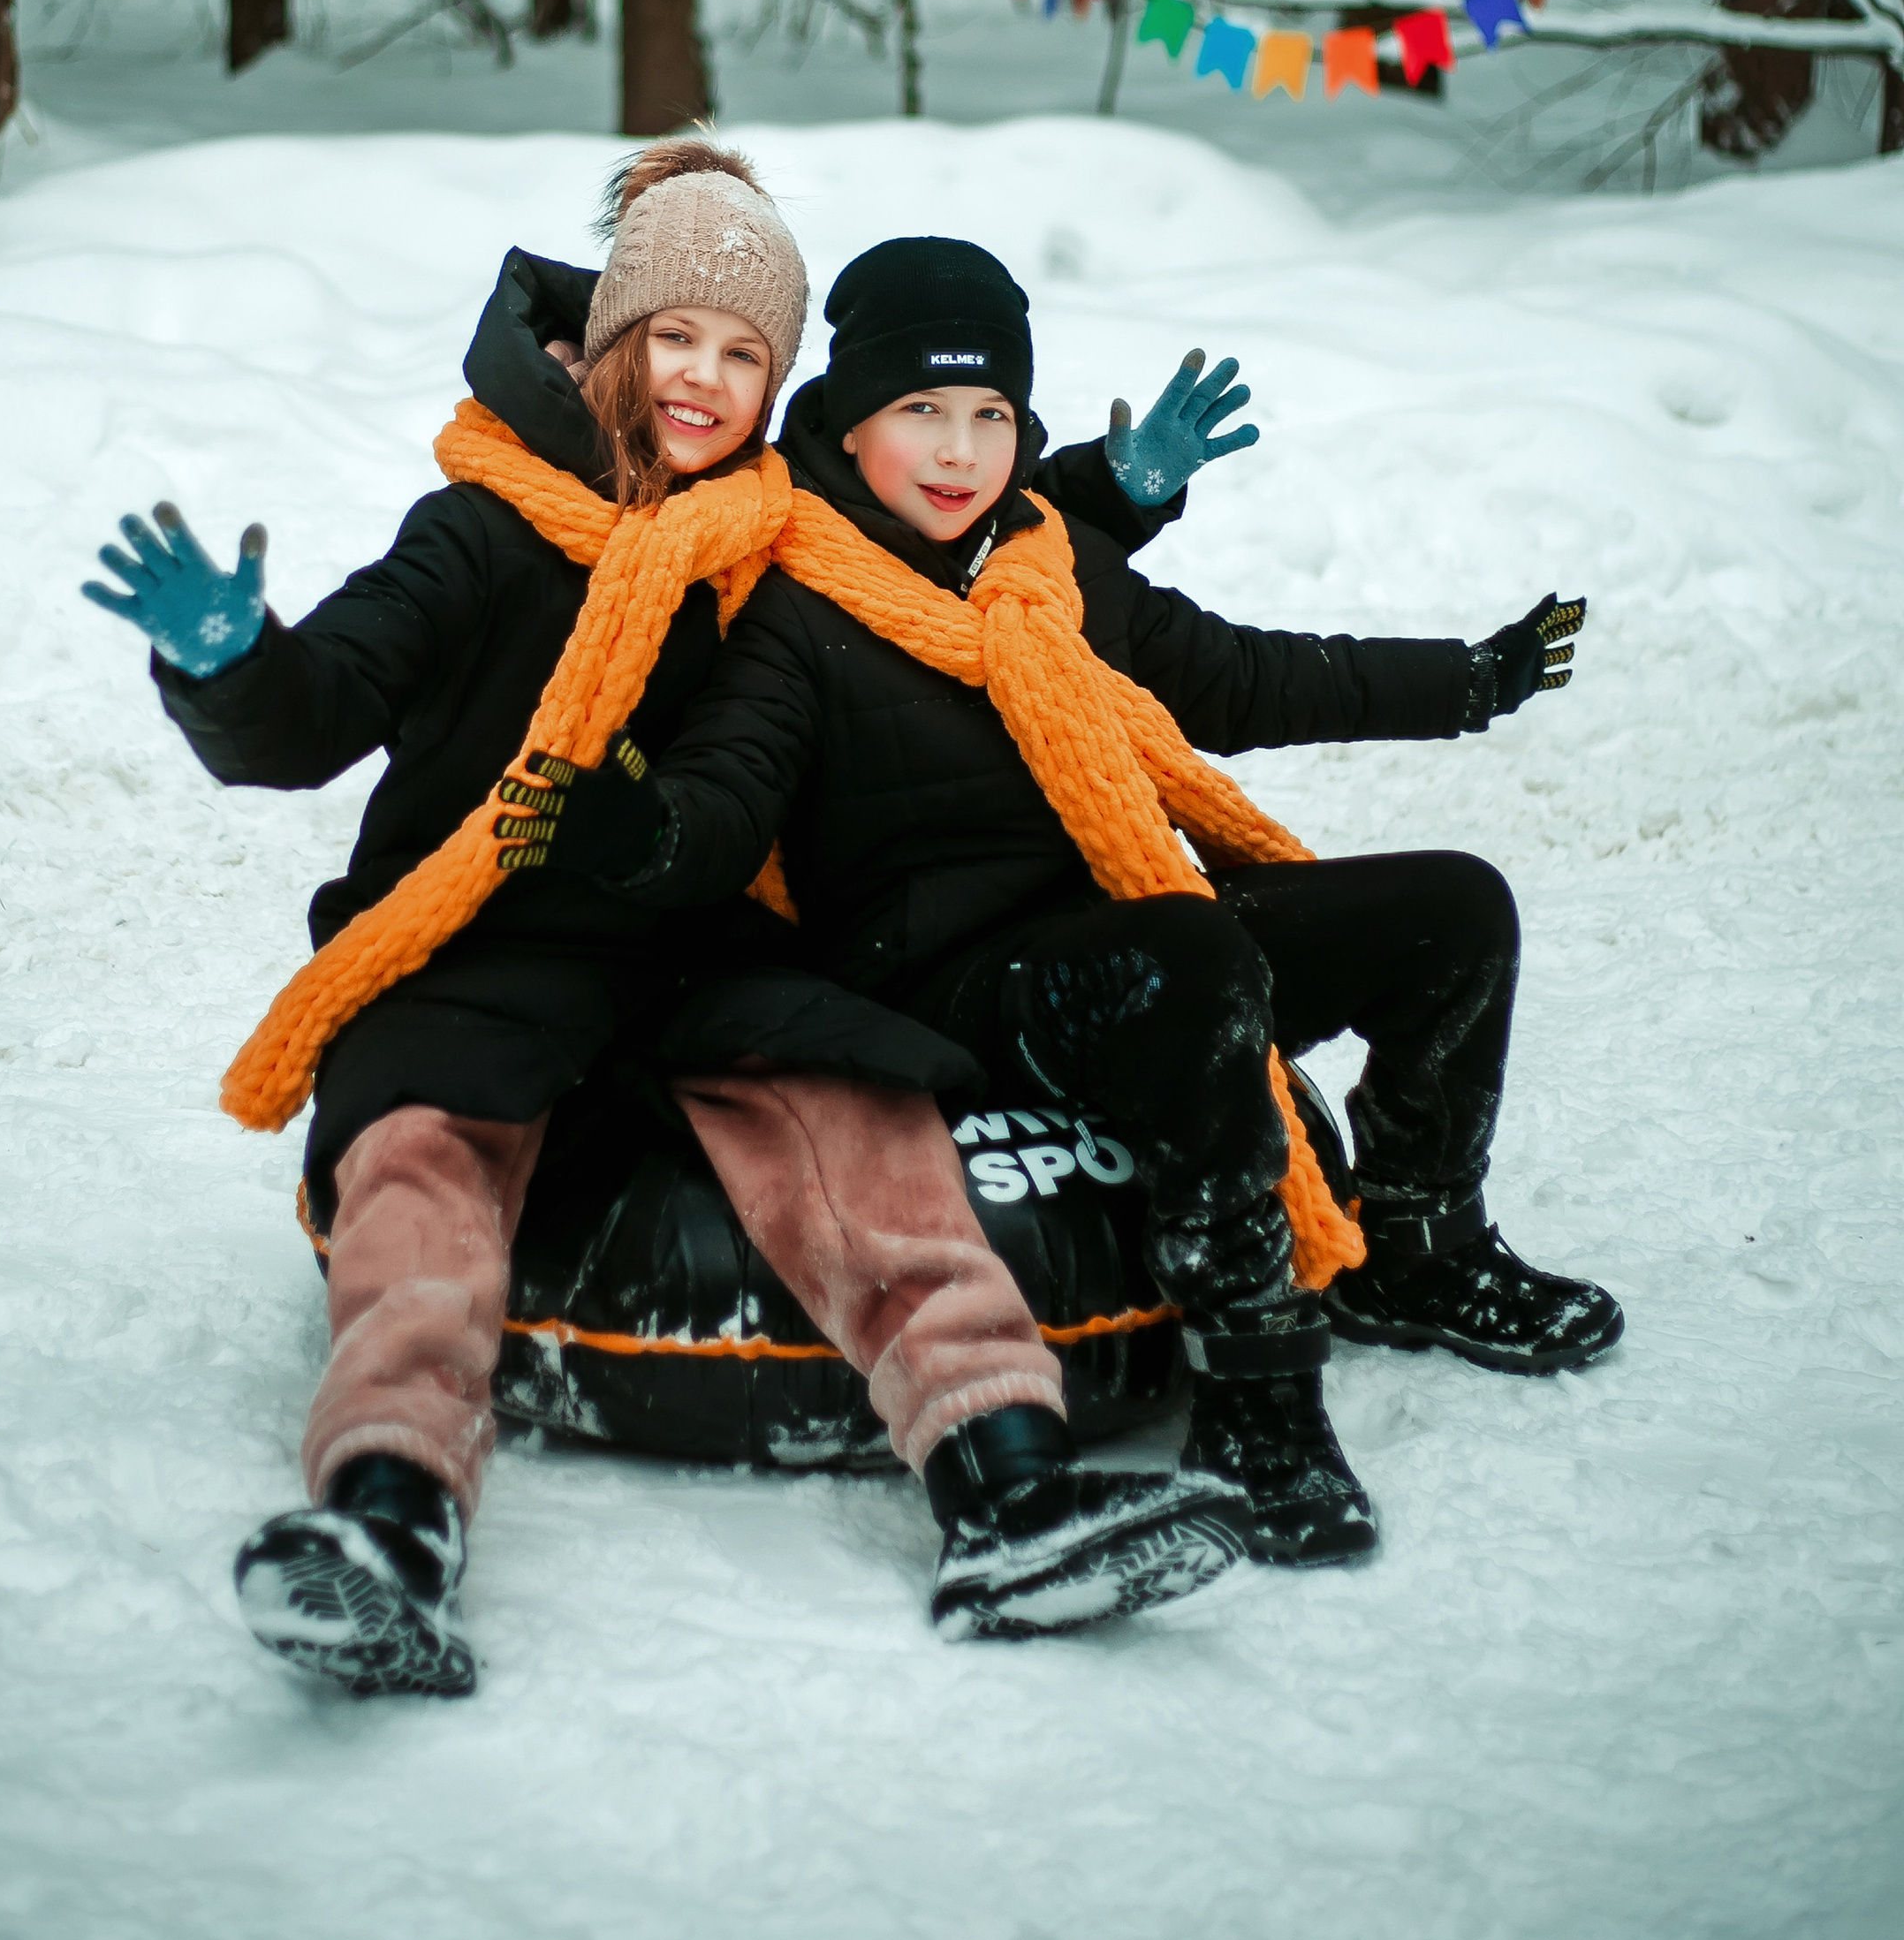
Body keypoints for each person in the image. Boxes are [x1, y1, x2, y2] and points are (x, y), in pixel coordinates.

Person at [83, 155, 1250, 1692]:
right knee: (425, 1161)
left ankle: (1007, 1487)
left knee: (861, 1117)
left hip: (695, 936)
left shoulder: (768, 534)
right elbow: (320, 707)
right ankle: (386, 1521)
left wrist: (1120, 482)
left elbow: (946, 522)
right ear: (616, 341)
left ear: (781, 385)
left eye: (746, 353)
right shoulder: (484, 528)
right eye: (679, 339)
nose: (705, 381)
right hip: (484, 943)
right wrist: (234, 664)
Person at [511, 233, 1623, 1573]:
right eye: (920, 410)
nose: (958, 450)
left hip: (1130, 936)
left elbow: (1239, 679)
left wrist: (1467, 681)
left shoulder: (1048, 563)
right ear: (849, 422)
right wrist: (644, 829)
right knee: (1194, 951)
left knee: (1456, 909)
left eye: (992, 417)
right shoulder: (794, 606)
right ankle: (1259, 1398)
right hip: (961, 987)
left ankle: (1417, 1244)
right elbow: (725, 795)